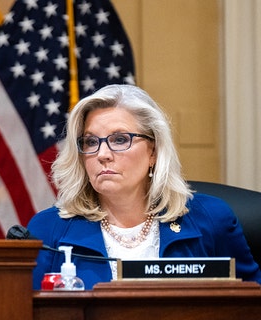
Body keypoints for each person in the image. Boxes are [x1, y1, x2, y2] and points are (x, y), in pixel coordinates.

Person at [27, 84, 261, 289]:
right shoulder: (48, 230)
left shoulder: (210, 220)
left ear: (153, 151)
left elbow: (250, 305)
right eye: (90, 142)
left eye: (120, 139)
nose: (102, 154)